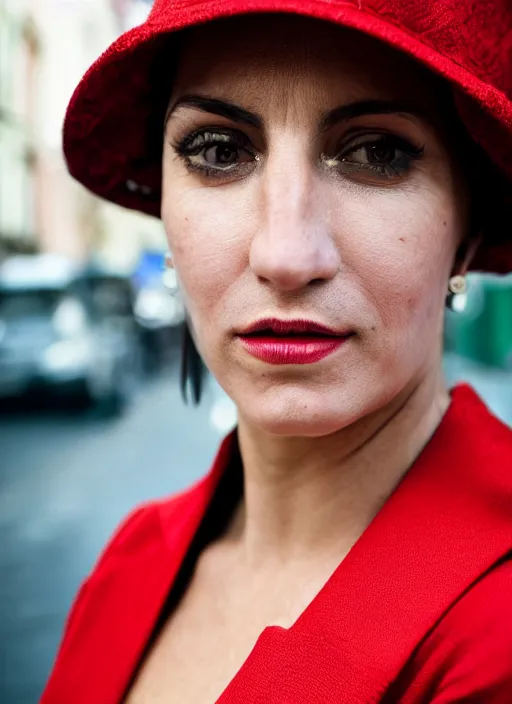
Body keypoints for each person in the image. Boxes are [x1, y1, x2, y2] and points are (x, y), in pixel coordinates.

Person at [41, 1, 512, 703]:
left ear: (468, 223)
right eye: (219, 151)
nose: (286, 254)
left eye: (377, 151)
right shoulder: (131, 559)